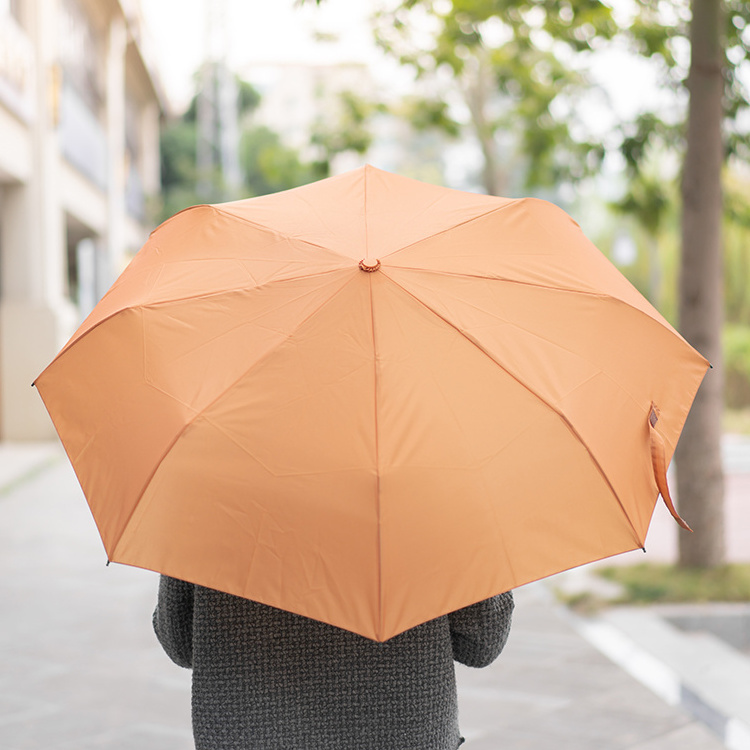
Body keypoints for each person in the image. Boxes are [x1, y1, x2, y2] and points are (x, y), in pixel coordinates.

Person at [153, 575, 514, 749]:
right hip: (398, 734)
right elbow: (482, 641)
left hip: (250, 734)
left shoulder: (204, 469)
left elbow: (182, 643)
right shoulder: (431, 473)